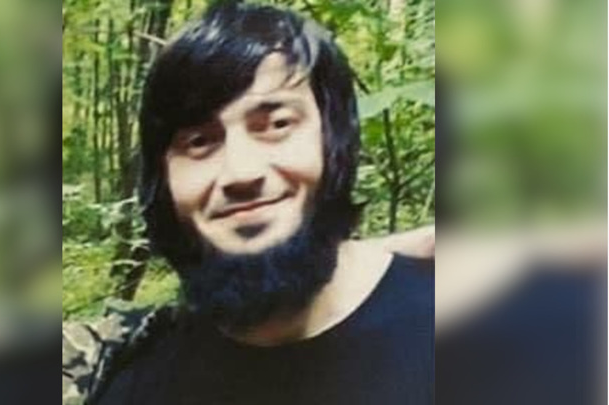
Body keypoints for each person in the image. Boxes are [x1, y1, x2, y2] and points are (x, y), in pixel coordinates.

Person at [63, 3, 435, 405]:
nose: (241, 172)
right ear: (163, 179)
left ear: (334, 140)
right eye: (199, 141)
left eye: (277, 124)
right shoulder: (119, 369)